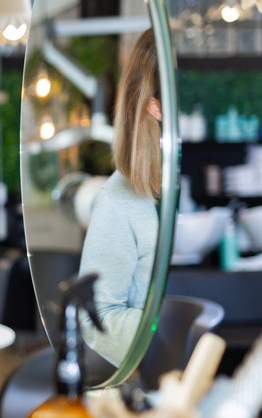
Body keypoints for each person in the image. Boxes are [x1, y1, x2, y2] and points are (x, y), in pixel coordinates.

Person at [78, 29, 161, 366]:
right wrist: (171, 328)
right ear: (156, 107)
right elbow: (95, 318)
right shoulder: (119, 201)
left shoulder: (179, 183)